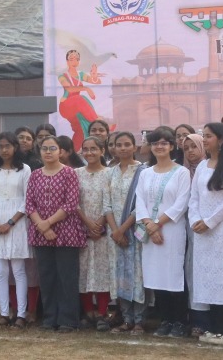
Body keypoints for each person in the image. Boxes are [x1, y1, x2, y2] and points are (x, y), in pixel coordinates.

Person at [134, 127, 192, 338]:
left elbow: (181, 203)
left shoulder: (181, 172)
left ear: (172, 146)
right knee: (155, 275)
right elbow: (139, 201)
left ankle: (179, 321)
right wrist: (149, 224)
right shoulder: (145, 173)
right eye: (155, 143)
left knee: (174, 275)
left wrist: (157, 224)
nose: (159, 146)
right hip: (150, 232)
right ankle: (165, 319)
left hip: (172, 231)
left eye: (164, 143)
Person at [28, 134, 88, 332]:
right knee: (47, 277)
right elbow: (29, 205)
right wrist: (42, 226)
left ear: (60, 151)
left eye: (52, 148)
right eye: (44, 148)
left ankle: (68, 320)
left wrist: (48, 223)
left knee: (66, 277)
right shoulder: (35, 175)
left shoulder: (69, 173)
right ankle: (49, 318)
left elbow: (71, 204)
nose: (48, 152)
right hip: (41, 233)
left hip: (66, 232)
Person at [191, 122, 223, 345]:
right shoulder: (202, 166)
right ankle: (211, 327)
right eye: (203, 136)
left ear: (221, 140)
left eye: (209, 136)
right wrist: (196, 220)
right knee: (207, 278)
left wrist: (210, 222)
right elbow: (194, 197)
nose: (204, 140)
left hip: (222, 231)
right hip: (202, 232)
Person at [0, 132, 31, 328]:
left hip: (17, 224)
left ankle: (21, 314)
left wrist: (10, 223)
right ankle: (4, 313)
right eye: (0, 146)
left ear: (15, 147)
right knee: (1, 271)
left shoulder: (24, 169)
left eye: (8, 146)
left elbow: (27, 200)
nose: (4, 150)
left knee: (18, 271)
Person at [107, 131, 147, 334]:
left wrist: (123, 229)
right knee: (119, 273)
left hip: (134, 231)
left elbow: (141, 204)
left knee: (137, 273)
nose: (122, 148)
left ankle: (139, 319)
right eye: (118, 145)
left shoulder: (143, 171)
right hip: (114, 233)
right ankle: (126, 318)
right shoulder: (110, 172)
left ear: (135, 147)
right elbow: (106, 204)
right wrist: (115, 231)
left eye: (126, 144)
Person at [77, 136, 117, 330]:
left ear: (102, 151)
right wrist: (87, 223)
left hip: (105, 229)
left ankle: (101, 312)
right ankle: (88, 312)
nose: (89, 152)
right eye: (86, 149)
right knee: (83, 271)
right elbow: (73, 202)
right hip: (81, 228)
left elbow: (112, 201)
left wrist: (100, 223)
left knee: (102, 271)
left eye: (94, 149)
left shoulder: (111, 173)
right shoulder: (76, 173)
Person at [56, 49, 105, 151]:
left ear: (79, 61)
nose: (74, 61)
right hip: (66, 106)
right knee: (81, 98)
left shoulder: (80, 74)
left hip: (77, 108)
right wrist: (86, 89)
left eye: (77, 59)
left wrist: (94, 76)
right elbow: (69, 88)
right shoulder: (62, 76)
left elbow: (96, 81)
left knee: (80, 130)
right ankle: (97, 123)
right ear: (67, 61)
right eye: (71, 59)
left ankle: (74, 151)